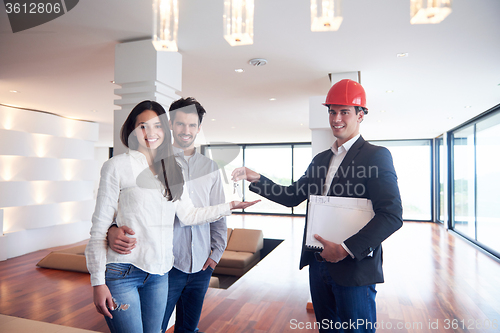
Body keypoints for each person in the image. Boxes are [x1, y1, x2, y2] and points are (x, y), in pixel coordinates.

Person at [232, 79, 403, 333]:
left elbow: (391, 215)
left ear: (361, 115)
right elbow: (291, 196)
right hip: (319, 264)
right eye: (332, 111)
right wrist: (255, 178)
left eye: (344, 111)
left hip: (354, 267)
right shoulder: (321, 160)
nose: (336, 118)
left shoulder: (376, 156)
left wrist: (345, 249)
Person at [85, 100, 258, 333]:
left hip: (159, 273)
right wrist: (97, 281)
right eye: (142, 126)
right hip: (124, 272)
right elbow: (99, 227)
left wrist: (230, 206)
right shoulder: (116, 166)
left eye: (156, 126)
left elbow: (188, 215)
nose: (150, 132)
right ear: (133, 130)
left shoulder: (170, 169)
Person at [107, 97, 226, 333]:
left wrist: (216, 253)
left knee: (188, 329)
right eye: (180, 124)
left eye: (192, 125)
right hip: (163, 266)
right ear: (169, 125)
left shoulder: (210, 168)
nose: (186, 130)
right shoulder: (150, 161)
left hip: (202, 265)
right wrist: (111, 229)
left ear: (199, 128)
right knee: (156, 328)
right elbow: (124, 206)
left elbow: (218, 215)